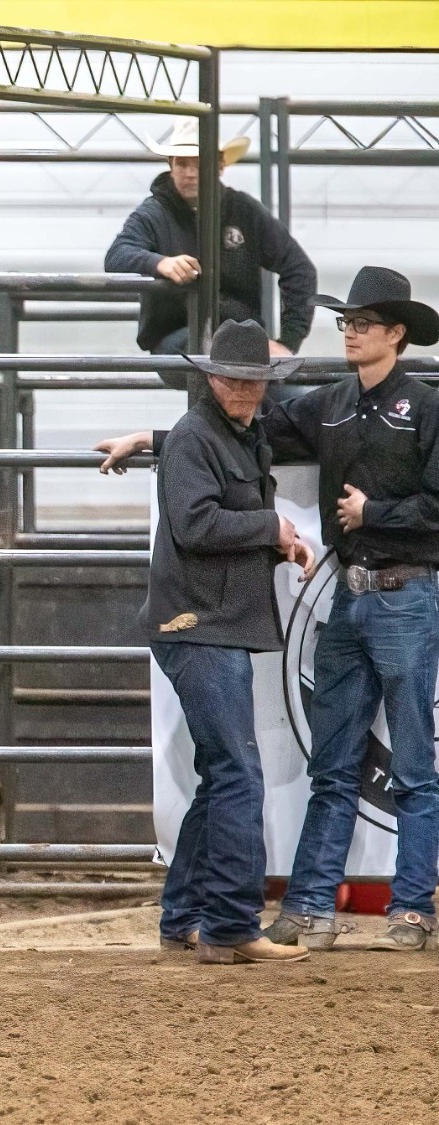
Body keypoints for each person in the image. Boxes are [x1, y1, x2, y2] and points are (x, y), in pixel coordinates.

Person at [97, 266, 439, 952]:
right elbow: (230, 437)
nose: (350, 333)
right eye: (346, 322)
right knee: (328, 765)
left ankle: (401, 907)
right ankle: (299, 909)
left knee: (387, 766)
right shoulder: (327, 405)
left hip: (396, 592)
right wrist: (156, 440)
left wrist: (375, 513)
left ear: (396, 334)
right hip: (352, 596)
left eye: (363, 323)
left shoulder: (421, 408)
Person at [138, 319, 313, 964]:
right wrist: (272, 528)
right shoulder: (198, 438)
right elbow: (195, 525)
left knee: (222, 775)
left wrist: (277, 537)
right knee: (238, 773)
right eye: (235, 380)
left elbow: (204, 523)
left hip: (207, 624)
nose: (245, 391)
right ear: (212, 379)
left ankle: (185, 917)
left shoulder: (225, 435)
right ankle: (232, 925)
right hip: (202, 627)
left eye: (254, 381)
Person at [105, 119, 316, 373]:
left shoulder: (243, 210)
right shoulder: (154, 213)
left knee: (275, 381)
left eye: (200, 163)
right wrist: (159, 263)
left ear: (220, 166)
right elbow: (117, 255)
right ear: (171, 166)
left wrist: (288, 343)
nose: (190, 172)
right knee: (225, 356)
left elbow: (299, 269)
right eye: (182, 163)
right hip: (179, 341)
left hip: (239, 343)